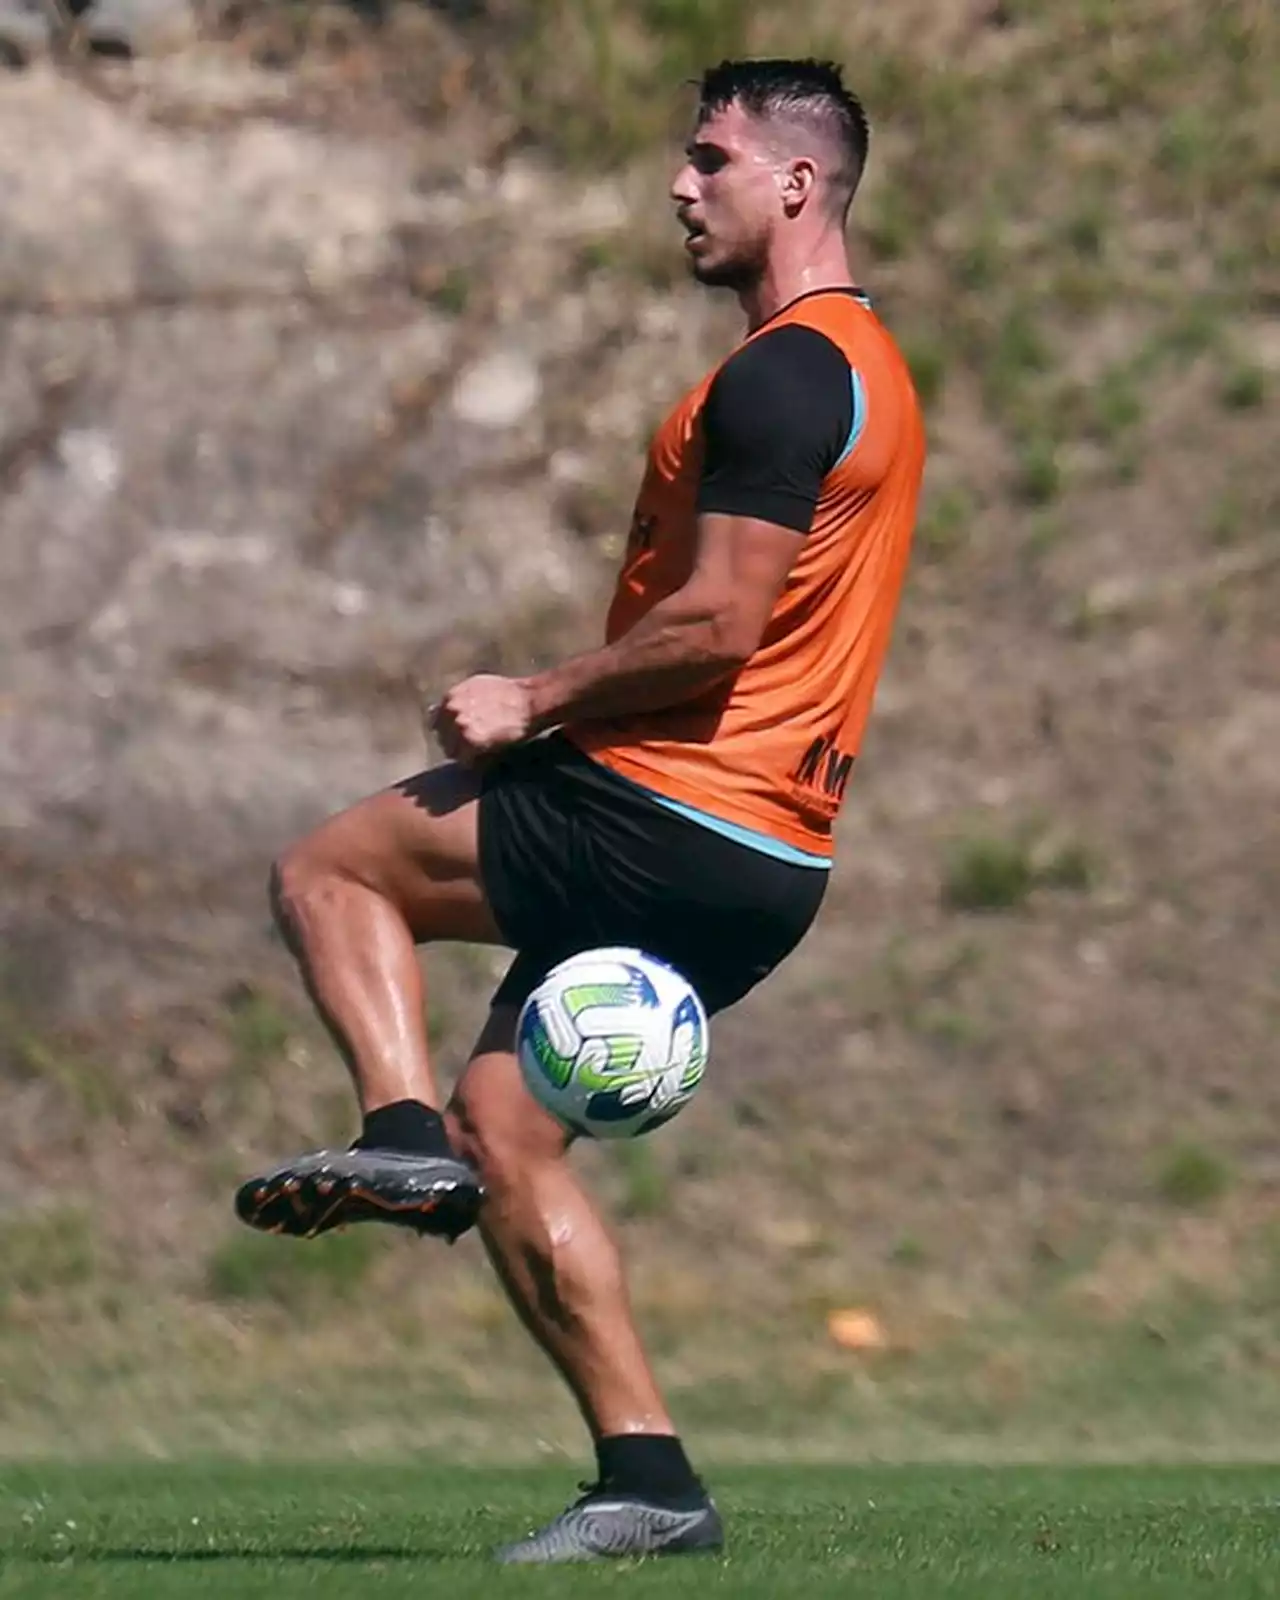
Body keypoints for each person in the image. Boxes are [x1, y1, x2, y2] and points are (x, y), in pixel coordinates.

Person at [234, 56, 925, 1564]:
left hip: (667, 805)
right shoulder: (864, 369)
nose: (680, 187)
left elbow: (720, 626)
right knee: (513, 1132)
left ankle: (393, 1130)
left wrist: (533, 697)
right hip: (770, 864)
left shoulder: (786, 373)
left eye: (710, 161)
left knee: (332, 869)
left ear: (797, 186)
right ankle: (649, 1484)